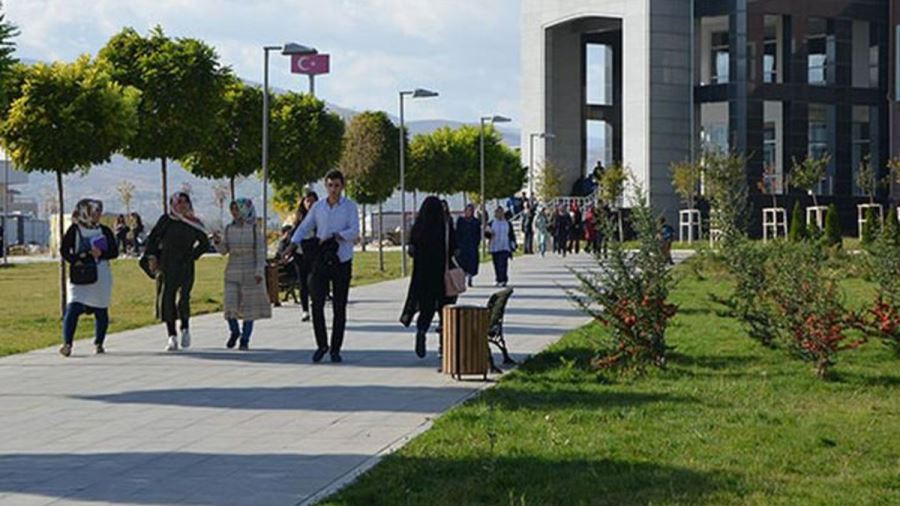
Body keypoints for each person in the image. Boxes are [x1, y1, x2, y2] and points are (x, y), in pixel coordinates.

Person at [288, 170, 359, 363]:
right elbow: (304, 226)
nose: (333, 189)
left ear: (342, 186)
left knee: (339, 307)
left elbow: (354, 231)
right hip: (321, 259)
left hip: (341, 260)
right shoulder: (319, 207)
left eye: (337, 185)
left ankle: (335, 348)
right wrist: (292, 244)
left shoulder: (350, 207)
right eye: (330, 185)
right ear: (325, 186)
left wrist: (337, 235)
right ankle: (322, 345)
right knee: (316, 303)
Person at [145, 192, 210, 352]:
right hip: (167, 265)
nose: (182, 205)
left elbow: (204, 243)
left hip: (186, 265)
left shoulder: (193, 222)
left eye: (185, 202)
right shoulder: (166, 221)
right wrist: (152, 257)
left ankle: (185, 327)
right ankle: (171, 335)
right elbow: (152, 239)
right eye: (178, 202)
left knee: (184, 298)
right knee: (167, 298)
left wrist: (193, 255)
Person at [59, 199, 118, 356]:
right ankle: (68, 344)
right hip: (80, 275)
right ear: (85, 212)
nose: (98, 214)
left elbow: (114, 251)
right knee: (72, 308)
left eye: (99, 211)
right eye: (94, 211)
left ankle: (99, 342)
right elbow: (65, 250)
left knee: (101, 310)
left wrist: (102, 254)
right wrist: (77, 259)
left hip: (100, 275)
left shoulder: (104, 230)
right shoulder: (74, 229)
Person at [211, 198, 272, 350]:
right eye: (232, 210)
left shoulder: (253, 229)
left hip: (250, 270)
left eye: (236, 209)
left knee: (249, 308)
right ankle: (234, 331)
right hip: (233, 270)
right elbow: (225, 250)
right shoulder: (229, 228)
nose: (234, 213)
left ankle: (245, 338)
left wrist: (259, 271)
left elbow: (260, 251)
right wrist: (218, 242)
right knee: (230, 304)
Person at [400, 197, 457, 357]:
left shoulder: (418, 227)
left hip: (423, 277)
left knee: (426, 309)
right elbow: (453, 248)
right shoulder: (445, 227)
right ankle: (443, 345)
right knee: (444, 311)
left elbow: (411, 250)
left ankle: (421, 331)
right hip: (442, 276)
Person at [287, 191, 318, 322]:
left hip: (315, 255)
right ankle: (305, 310)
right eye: (307, 201)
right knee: (303, 283)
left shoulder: (320, 217)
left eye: (312, 201)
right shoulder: (298, 218)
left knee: (313, 282)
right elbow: (292, 236)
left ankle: (315, 305)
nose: (310, 204)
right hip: (300, 255)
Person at [486, 206, 515, 287]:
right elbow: (487, 235)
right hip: (495, 247)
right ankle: (498, 279)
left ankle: (503, 279)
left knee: (503, 263)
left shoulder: (507, 223)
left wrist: (513, 244)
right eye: (497, 212)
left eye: (501, 212)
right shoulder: (492, 223)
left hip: (505, 246)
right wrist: (488, 232)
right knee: (496, 264)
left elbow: (511, 234)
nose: (499, 214)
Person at [455, 203, 480, 287]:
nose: (468, 212)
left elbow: (478, 234)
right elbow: (457, 233)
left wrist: (476, 242)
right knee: (462, 263)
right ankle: (463, 279)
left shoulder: (475, 222)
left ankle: (470, 278)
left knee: (471, 263)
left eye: (470, 210)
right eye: (467, 210)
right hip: (462, 245)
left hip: (472, 245)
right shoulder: (461, 221)